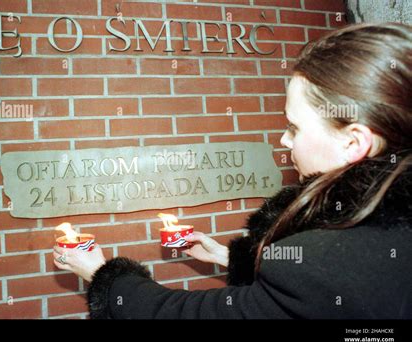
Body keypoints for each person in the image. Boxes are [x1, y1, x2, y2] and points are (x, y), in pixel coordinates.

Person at [53, 23, 412, 319]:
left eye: (295, 127)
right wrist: (228, 256)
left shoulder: (327, 267)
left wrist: (103, 276)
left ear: (354, 143)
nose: (285, 142)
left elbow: (179, 315)